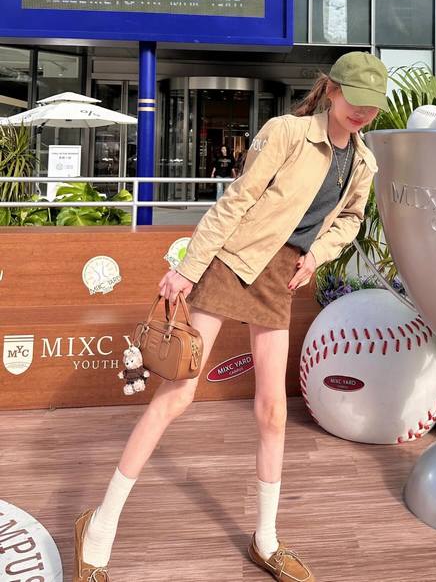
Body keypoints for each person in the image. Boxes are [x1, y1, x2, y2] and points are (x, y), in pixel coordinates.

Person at [73, 51, 389, 582]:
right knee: (177, 394)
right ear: (332, 90)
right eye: (355, 99)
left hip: (281, 276)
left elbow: (350, 221)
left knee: (273, 411)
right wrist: (188, 269)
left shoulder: (364, 163)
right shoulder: (286, 132)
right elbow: (235, 202)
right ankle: (99, 526)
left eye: (372, 105)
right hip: (232, 263)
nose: (363, 112)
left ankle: (265, 540)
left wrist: (316, 255)